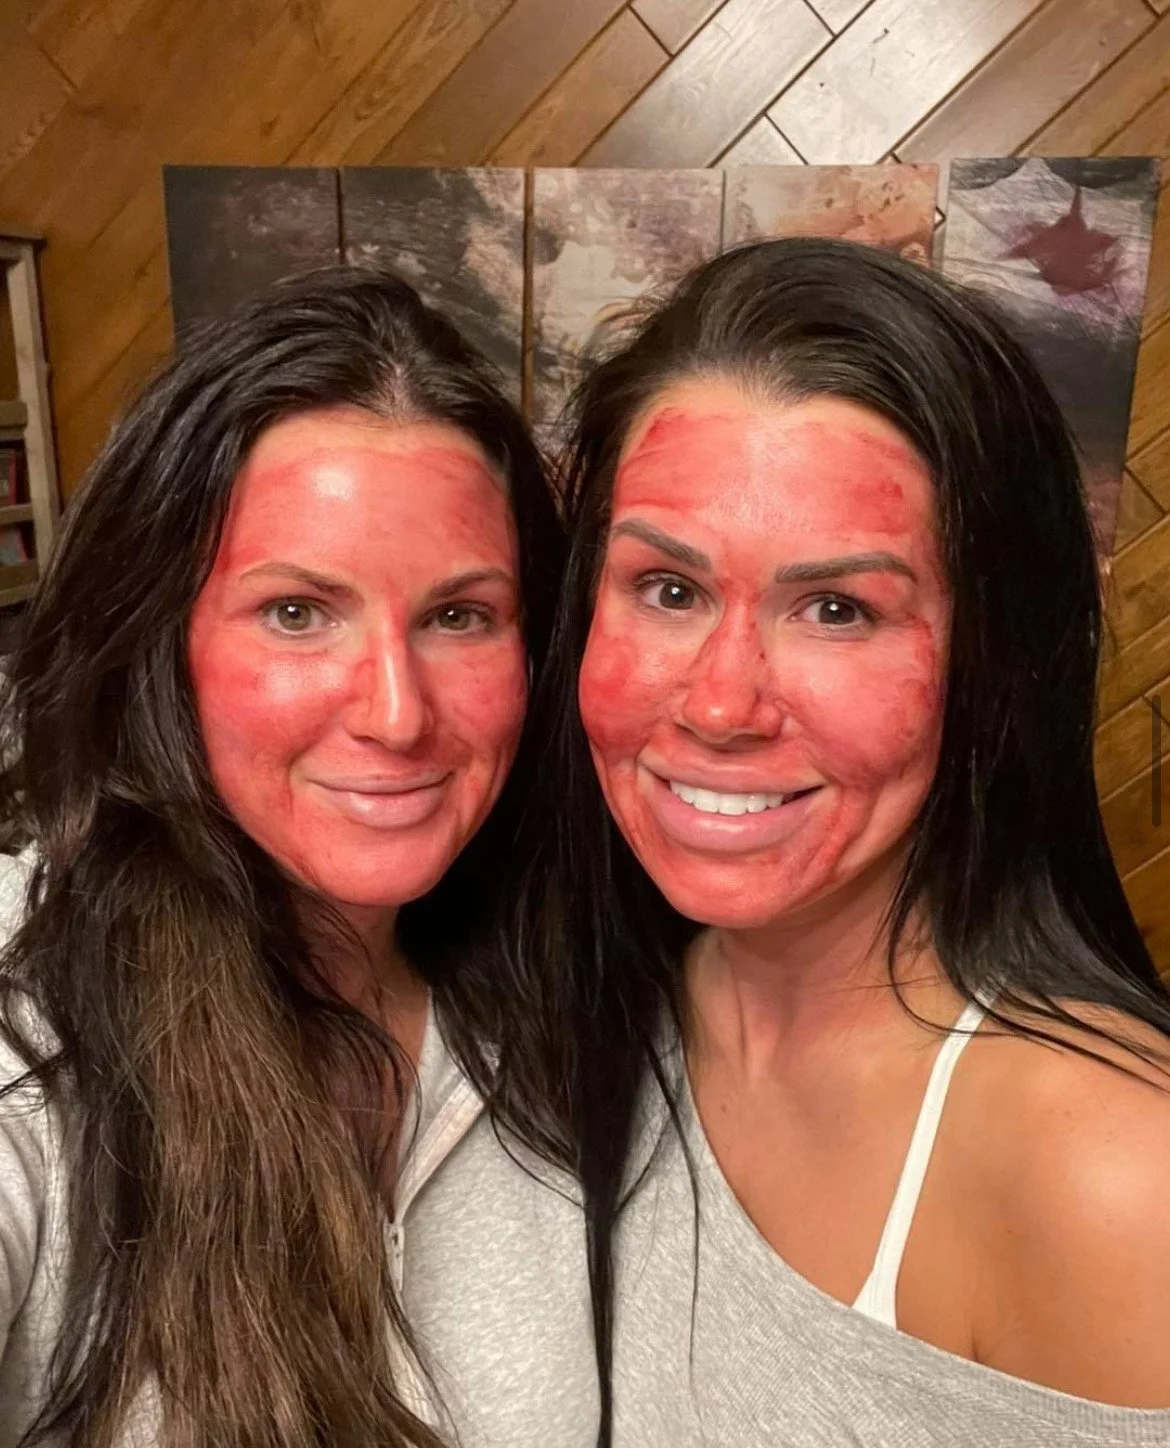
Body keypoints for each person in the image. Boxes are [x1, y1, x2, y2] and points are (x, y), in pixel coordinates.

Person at [510, 237, 1170, 1446]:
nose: (719, 704)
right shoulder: (593, 990)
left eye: (837, 609)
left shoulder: (1120, 1177)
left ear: (987, 662)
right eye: (668, 588)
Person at [0, 265, 583, 1448]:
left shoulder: (565, 992)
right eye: (298, 611)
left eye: (459, 614)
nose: (396, 712)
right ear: (162, 642)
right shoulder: (31, 1034)